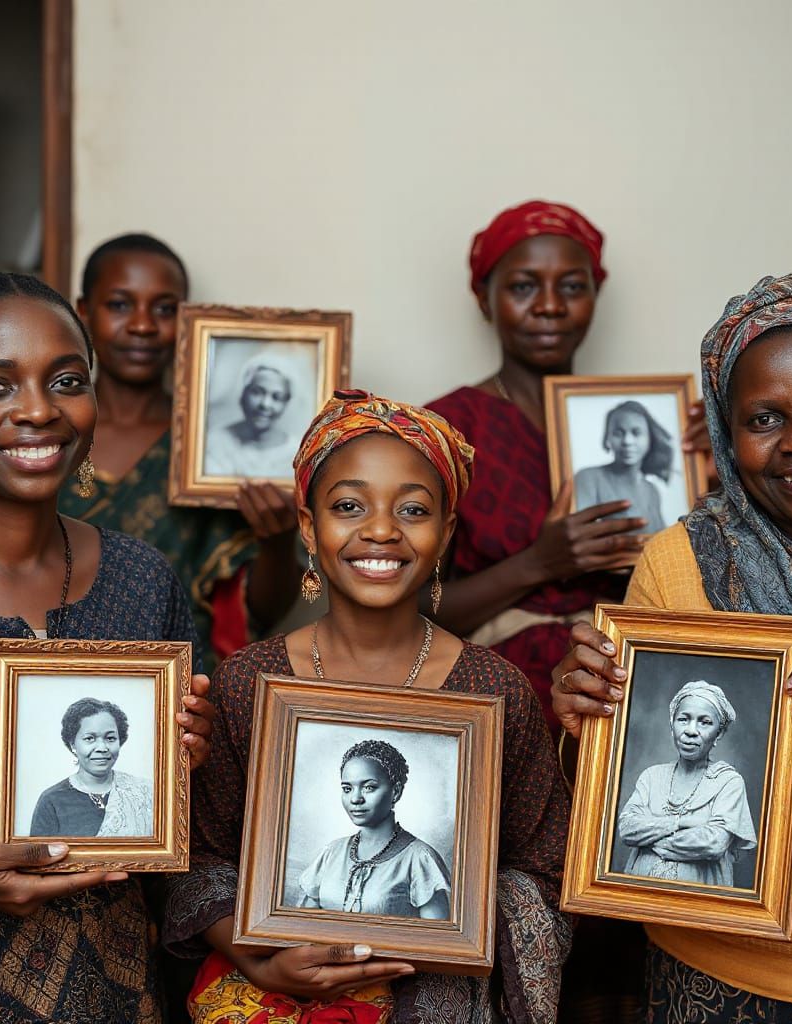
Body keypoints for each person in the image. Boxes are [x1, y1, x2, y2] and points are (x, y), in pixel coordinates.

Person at [553, 272, 792, 1022]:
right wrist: (585, 720)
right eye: (765, 418)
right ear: (724, 430)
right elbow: (612, 795)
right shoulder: (679, 565)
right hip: (715, 974)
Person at [163, 390, 571, 1024]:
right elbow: (200, 855)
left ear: (447, 532)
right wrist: (255, 955)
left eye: (412, 509)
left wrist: (453, 928)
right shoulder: (249, 681)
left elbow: (544, 869)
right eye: (349, 506)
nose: (381, 530)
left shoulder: (497, 690)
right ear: (308, 527)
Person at [0, 271, 215, 1023]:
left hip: (114, 984)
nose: (37, 410)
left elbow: (179, 827)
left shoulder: (141, 578)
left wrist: (183, 759)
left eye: (66, 380)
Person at [427, 200, 711, 1023]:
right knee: (516, 900)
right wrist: (540, 563)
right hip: (504, 702)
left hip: (625, 697)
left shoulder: (655, 426)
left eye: (571, 286)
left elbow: (709, 576)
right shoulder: (451, 427)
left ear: (597, 294)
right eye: (523, 286)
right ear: (485, 299)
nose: (549, 306)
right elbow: (408, 606)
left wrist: (720, 466)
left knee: (638, 888)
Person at [60, 233, 302, 665]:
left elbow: (260, 613)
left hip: (179, 693)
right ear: (83, 313)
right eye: (119, 304)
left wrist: (279, 543)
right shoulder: (45, 433)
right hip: (41, 673)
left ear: (189, 320)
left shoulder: (210, 449)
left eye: (165, 309)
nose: (142, 325)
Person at [616, 681, 755, 886]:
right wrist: (679, 823)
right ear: (672, 726)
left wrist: (651, 837)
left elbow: (714, 842)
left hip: (696, 906)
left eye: (704, 722)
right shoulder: (652, 776)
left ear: (719, 733)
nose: (691, 731)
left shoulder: (728, 782)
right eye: (683, 719)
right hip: (638, 899)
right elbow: (627, 828)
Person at [296, 739, 452, 918]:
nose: (355, 799)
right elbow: (303, 928)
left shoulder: (420, 858)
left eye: (369, 787)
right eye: (347, 788)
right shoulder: (332, 852)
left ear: (396, 791)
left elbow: (435, 941)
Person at [30, 697, 154, 838]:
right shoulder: (52, 800)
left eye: (110, 738)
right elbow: (40, 856)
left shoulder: (146, 793)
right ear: (73, 744)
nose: (102, 748)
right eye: (89, 738)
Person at [574, 400, 674, 533]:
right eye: (618, 433)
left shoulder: (652, 491)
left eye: (636, 433)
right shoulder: (588, 478)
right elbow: (580, 535)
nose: (627, 441)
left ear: (650, 438)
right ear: (607, 437)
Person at [203, 354, 302, 479]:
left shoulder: (298, 454)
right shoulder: (216, 442)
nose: (265, 404)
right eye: (257, 392)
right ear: (243, 394)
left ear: (286, 404)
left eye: (277, 397)